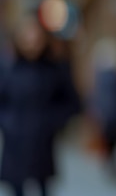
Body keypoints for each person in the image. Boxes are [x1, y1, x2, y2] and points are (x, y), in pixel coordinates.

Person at [0, 15, 81, 196]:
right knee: (16, 187)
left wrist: (50, 122)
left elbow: (72, 103)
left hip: (42, 141)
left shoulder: (53, 69)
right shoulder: (8, 68)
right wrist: (8, 123)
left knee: (43, 185)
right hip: (15, 141)